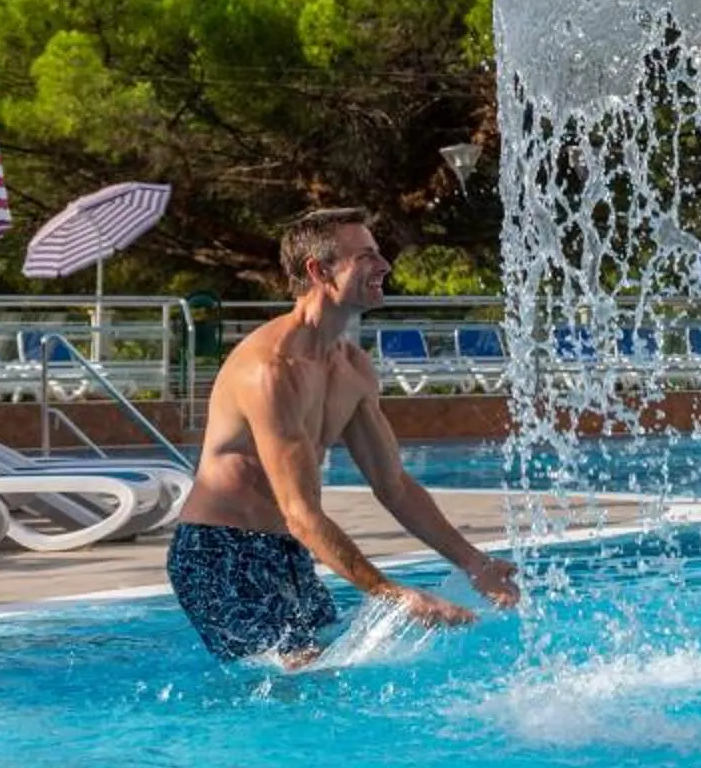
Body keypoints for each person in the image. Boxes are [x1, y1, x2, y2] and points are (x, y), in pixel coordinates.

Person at [165, 207, 521, 665]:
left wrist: (474, 562)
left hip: (287, 553)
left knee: (328, 671)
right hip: (219, 552)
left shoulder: (352, 368)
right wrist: (391, 593)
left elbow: (393, 485)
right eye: (366, 256)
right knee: (299, 674)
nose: (384, 266)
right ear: (319, 271)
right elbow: (300, 512)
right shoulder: (270, 372)